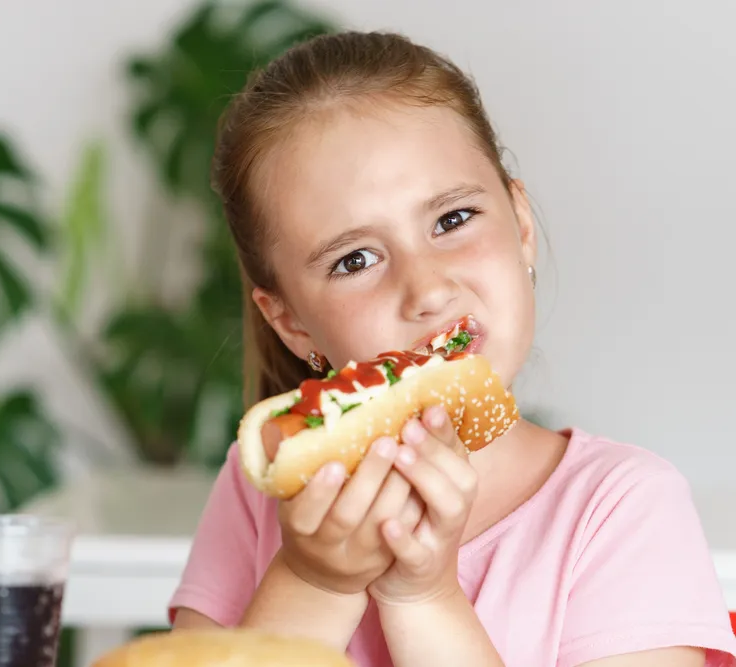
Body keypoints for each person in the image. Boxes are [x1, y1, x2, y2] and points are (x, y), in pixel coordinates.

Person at [166, 30, 736, 667]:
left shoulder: (622, 509)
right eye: (355, 259)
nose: (427, 288)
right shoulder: (258, 496)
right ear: (292, 323)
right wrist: (314, 582)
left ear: (521, 227)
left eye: (452, 220)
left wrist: (423, 599)